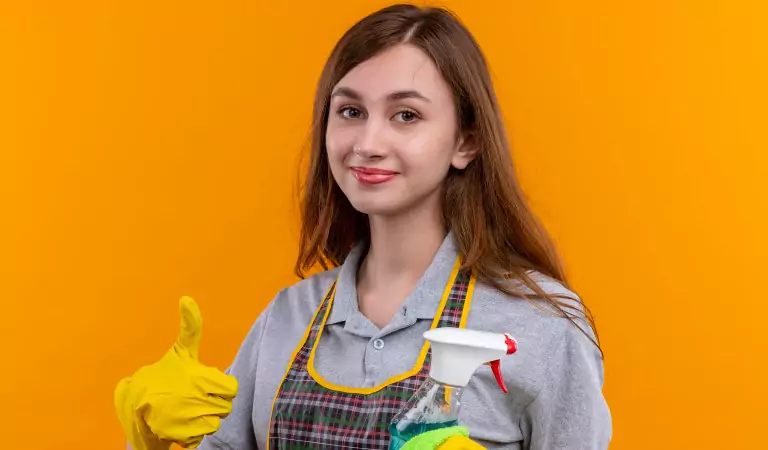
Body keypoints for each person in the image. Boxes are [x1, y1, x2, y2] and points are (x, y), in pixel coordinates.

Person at [114, 4, 612, 450]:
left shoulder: (540, 327)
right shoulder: (287, 318)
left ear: (466, 142)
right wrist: (149, 444)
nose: (368, 143)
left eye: (406, 115)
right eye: (351, 111)